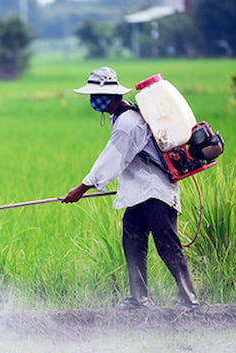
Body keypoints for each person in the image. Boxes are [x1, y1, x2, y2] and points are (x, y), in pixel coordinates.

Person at [61, 67, 199, 310]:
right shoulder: (123, 117)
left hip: (155, 193)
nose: (94, 101)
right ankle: (138, 298)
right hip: (140, 194)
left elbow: (112, 159)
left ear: (113, 96)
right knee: (133, 243)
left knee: (167, 244)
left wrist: (81, 189)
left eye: (97, 95)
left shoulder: (128, 123)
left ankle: (189, 298)